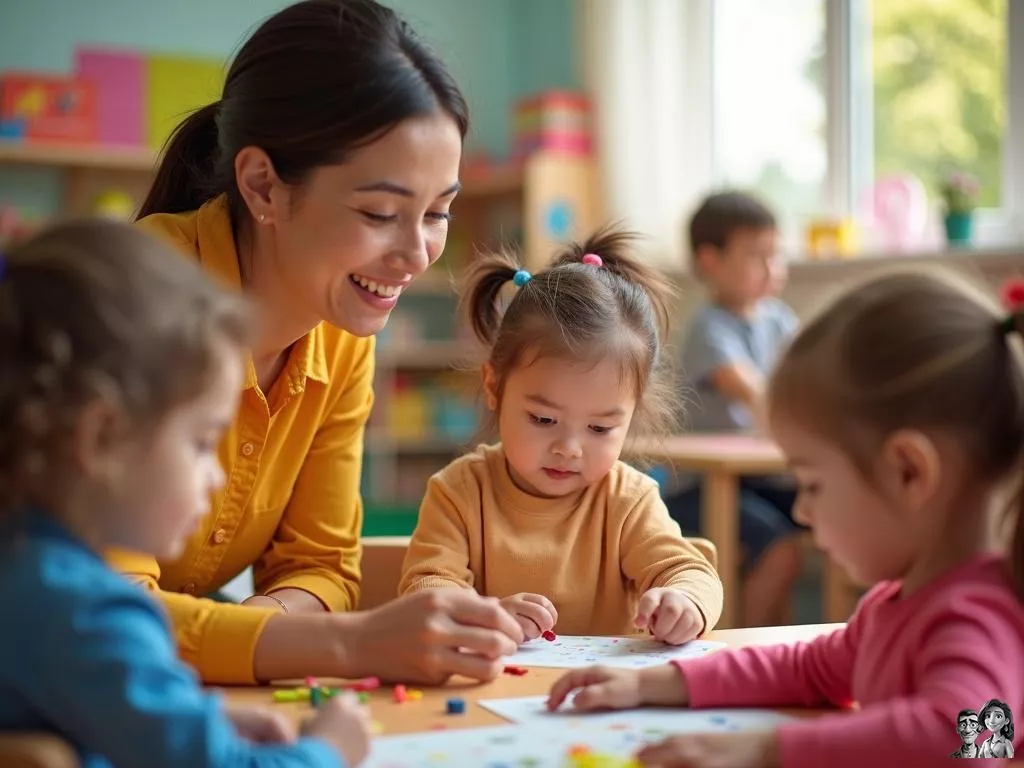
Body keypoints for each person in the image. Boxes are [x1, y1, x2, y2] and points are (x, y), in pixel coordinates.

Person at [106, 0, 523, 687]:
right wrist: (334, 645)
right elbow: (101, 617)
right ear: (263, 185)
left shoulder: (341, 327)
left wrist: (271, 633)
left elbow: (322, 566)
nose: (416, 253)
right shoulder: (134, 301)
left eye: (439, 212)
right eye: (381, 213)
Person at [546, 269, 1024, 767]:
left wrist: (767, 750)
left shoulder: (975, 617)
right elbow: (809, 668)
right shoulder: (898, 604)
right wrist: (652, 683)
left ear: (909, 472)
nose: (800, 510)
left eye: (812, 485)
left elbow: (973, 745)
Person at [0, 220, 372, 768]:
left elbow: (78, 705)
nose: (215, 475)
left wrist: (194, 720)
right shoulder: (91, 614)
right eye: (201, 442)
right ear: (101, 437)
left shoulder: (23, 567)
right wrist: (329, 750)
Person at [398, 228, 724, 644]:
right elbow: (427, 586)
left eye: (600, 428)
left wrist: (684, 602)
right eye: (543, 419)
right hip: (489, 693)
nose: (568, 449)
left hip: (602, 701)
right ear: (494, 388)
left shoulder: (627, 500)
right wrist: (485, 615)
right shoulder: (459, 493)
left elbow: (690, 571)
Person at [661, 191, 804, 627]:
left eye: (775, 255)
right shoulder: (709, 328)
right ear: (710, 261)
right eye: (756, 256)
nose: (771, 268)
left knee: (837, 511)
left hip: (756, 479)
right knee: (779, 549)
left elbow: (811, 380)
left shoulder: (777, 319)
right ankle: (743, 643)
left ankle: (796, 642)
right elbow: (755, 391)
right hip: (701, 487)